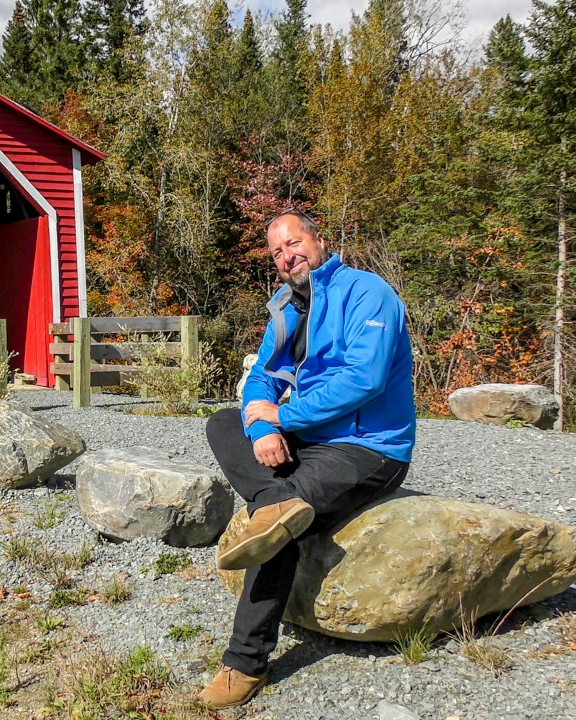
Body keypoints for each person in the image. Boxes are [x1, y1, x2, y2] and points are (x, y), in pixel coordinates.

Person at [197, 209, 416, 709]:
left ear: (320, 242)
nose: (287, 255)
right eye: (276, 251)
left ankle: (244, 664)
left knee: (282, 514)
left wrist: (285, 417)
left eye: (294, 243)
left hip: (369, 447)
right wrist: (262, 425)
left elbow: (365, 379)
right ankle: (274, 501)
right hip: (308, 437)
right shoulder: (287, 305)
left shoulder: (367, 293)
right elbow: (260, 379)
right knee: (224, 423)